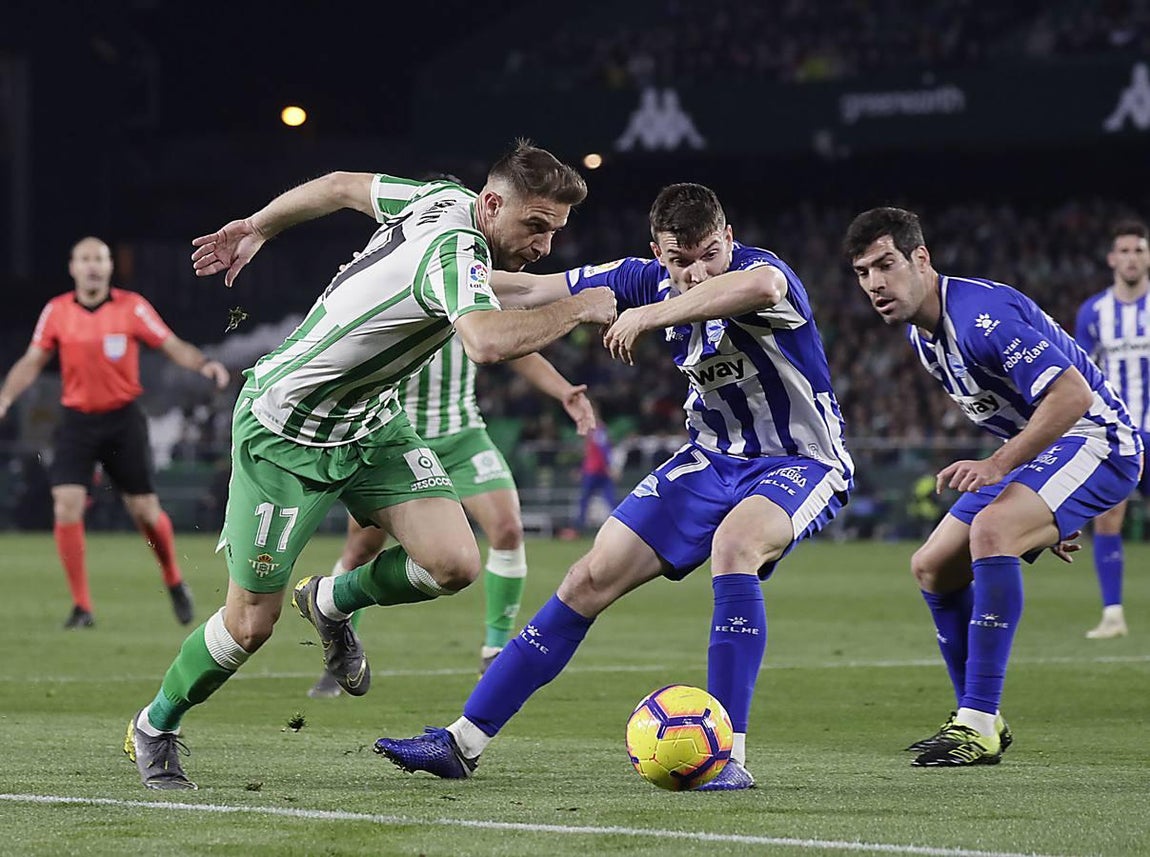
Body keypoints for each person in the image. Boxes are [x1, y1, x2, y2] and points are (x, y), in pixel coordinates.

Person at [123, 141, 616, 790]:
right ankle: (154, 726)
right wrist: (579, 307)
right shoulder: (453, 253)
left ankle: (329, 600)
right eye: (535, 226)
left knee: (456, 562)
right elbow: (487, 340)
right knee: (249, 625)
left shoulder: (441, 199)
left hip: (371, 422)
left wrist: (259, 225)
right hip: (285, 433)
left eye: (556, 230)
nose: (545, 244)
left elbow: (337, 184)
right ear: (492, 204)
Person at [375, 182, 854, 791]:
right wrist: (427, 271)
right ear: (658, 253)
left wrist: (648, 314)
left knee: (736, 547)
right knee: (586, 579)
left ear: (728, 238)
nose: (700, 272)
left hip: (801, 459)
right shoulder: (638, 277)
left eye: (711, 253)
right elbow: (534, 287)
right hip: (709, 460)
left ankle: (729, 756)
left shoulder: (759, 274)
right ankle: (461, 742)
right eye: (682, 261)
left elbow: (760, 288)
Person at [844, 206, 1141, 766]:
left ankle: (977, 718)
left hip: (1100, 439)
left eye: (886, 265)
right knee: (932, 566)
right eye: (862, 273)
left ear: (921, 259)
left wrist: (1004, 469)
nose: (875, 284)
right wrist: (1042, 503)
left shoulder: (981, 316)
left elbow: (1072, 396)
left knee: (993, 527)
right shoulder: (923, 339)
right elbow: (1016, 411)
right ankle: (978, 720)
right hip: (1051, 453)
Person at [307, 343, 597, 698]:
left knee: (507, 529)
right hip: (398, 439)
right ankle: (338, 647)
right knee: (361, 549)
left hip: (462, 436)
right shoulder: (390, 292)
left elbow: (510, 344)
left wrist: (562, 389)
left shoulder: (471, 289)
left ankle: (494, 653)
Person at [0, 236, 230, 629]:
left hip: (123, 421)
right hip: (76, 421)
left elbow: (171, 344)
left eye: (100, 259)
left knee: (144, 511)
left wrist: (204, 363)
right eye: (85, 259)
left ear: (110, 267)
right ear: (72, 267)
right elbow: (33, 360)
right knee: (66, 505)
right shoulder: (56, 312)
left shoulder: (132, 308)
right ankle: (82, 607)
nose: (92, 266)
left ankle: (174, 580)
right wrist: (5, 397)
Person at [1074, 218, 1150, 640]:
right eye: (1124, 250)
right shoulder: (1094, 313)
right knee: (1108, 518)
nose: (1131, 258)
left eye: (1138, 249)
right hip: (1120, 434)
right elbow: (1081, 377)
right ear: (1111, 259)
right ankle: (1113, 614)